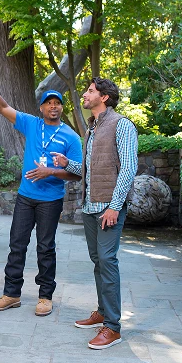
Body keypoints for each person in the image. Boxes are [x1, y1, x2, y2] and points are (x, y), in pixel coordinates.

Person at [0, 62, 82, 317]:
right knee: (17, 244)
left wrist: (51, 172)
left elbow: (78, 173)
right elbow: (2, 106)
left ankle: (45, 296)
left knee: (45, 247)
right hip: (26, 197)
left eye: (57, 103)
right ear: (41, 108)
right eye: (48, 102)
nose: (53, 106)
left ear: (61, 107)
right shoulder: (31, 124)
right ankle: (12, 294)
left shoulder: (71, 137)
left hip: (51, 199)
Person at [51, 77, 138, 349]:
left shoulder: (121, 125)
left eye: (90, 91)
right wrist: (69, 164)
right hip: (90, 207)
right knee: (98, 260)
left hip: (108, 208)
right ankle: (102, 311)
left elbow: (127, 168)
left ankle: (112, 327)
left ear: (104, 97)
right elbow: (93, 168)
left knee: (107, 260)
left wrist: (114, 206)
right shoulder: (92, 128)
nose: (85, 95)